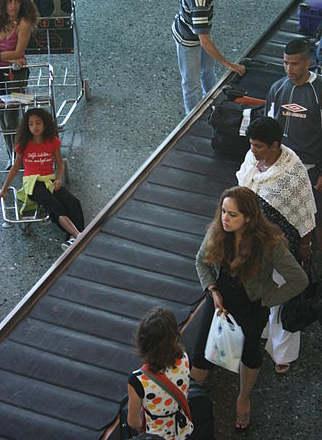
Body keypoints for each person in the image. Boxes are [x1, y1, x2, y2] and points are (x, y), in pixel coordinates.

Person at [191, 187, 308, 431]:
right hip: (220, 302)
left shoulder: (270, 245)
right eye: (223, 211)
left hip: (251, 307)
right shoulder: (217, 231)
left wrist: (268, 299)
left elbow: (299, 280)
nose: (225, 218)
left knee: (250, 354)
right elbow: (201, 261)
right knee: (201, 353)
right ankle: (190, 400)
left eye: (232, 214)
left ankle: (243, 399)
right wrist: (212, 291)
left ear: (248, 218)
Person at [236, 117, 316, 374]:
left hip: (282, 245)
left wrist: (305, 244)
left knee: (283, 296)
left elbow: (304, 213)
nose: (253, 150)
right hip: (252, 242)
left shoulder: (293, 171)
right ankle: (261, 332)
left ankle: (283, 352)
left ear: (274, 145)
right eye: (251, 144)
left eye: (258, 146)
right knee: (258, 289)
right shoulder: (251, 160)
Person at [0, 108, 84, 251]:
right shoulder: (23, 144)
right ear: (27, 126)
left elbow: (60, 163)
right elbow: (15, 167)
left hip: (49, 181)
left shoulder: (52, 141)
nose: (35, 127)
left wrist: (59, 179)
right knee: (56, 206)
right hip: (32, 183)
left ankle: (72, 239)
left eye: (38, 123)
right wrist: (4, 189)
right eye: (31, 124)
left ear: (45, 124)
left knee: (73, 202)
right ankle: (78, 236)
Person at [265, 39, 322, 251]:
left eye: (294, 64)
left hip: (311, 169)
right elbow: (266, 129)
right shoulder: (277, 88)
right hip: (279, 167)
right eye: (285, 63)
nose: (289, 68)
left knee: (315, 220)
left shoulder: (320, 92)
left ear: (308, 63)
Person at [172, 0, 246, 114]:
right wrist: (228, 64)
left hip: (197, 31)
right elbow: (204, 40)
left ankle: (213, 103)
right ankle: (191, 118)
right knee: (191, 84)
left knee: (208, 69)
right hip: (188, 39)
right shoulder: (199, 1)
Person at [0, 0, 39, 161]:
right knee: (2, 118)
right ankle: (14, 156)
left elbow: (18, 53)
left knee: (11, 117)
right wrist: (4, 57)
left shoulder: (24, 23)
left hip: (16, 74)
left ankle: (18, 157)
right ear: (2, 3)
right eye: (9, 1)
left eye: (17, 1)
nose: (13, 5)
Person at [127, 307, 194, 439]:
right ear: (174, 336)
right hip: (184, 431)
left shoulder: (138, 380)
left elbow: (133, 421)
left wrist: (144, 428)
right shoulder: (184, 359)